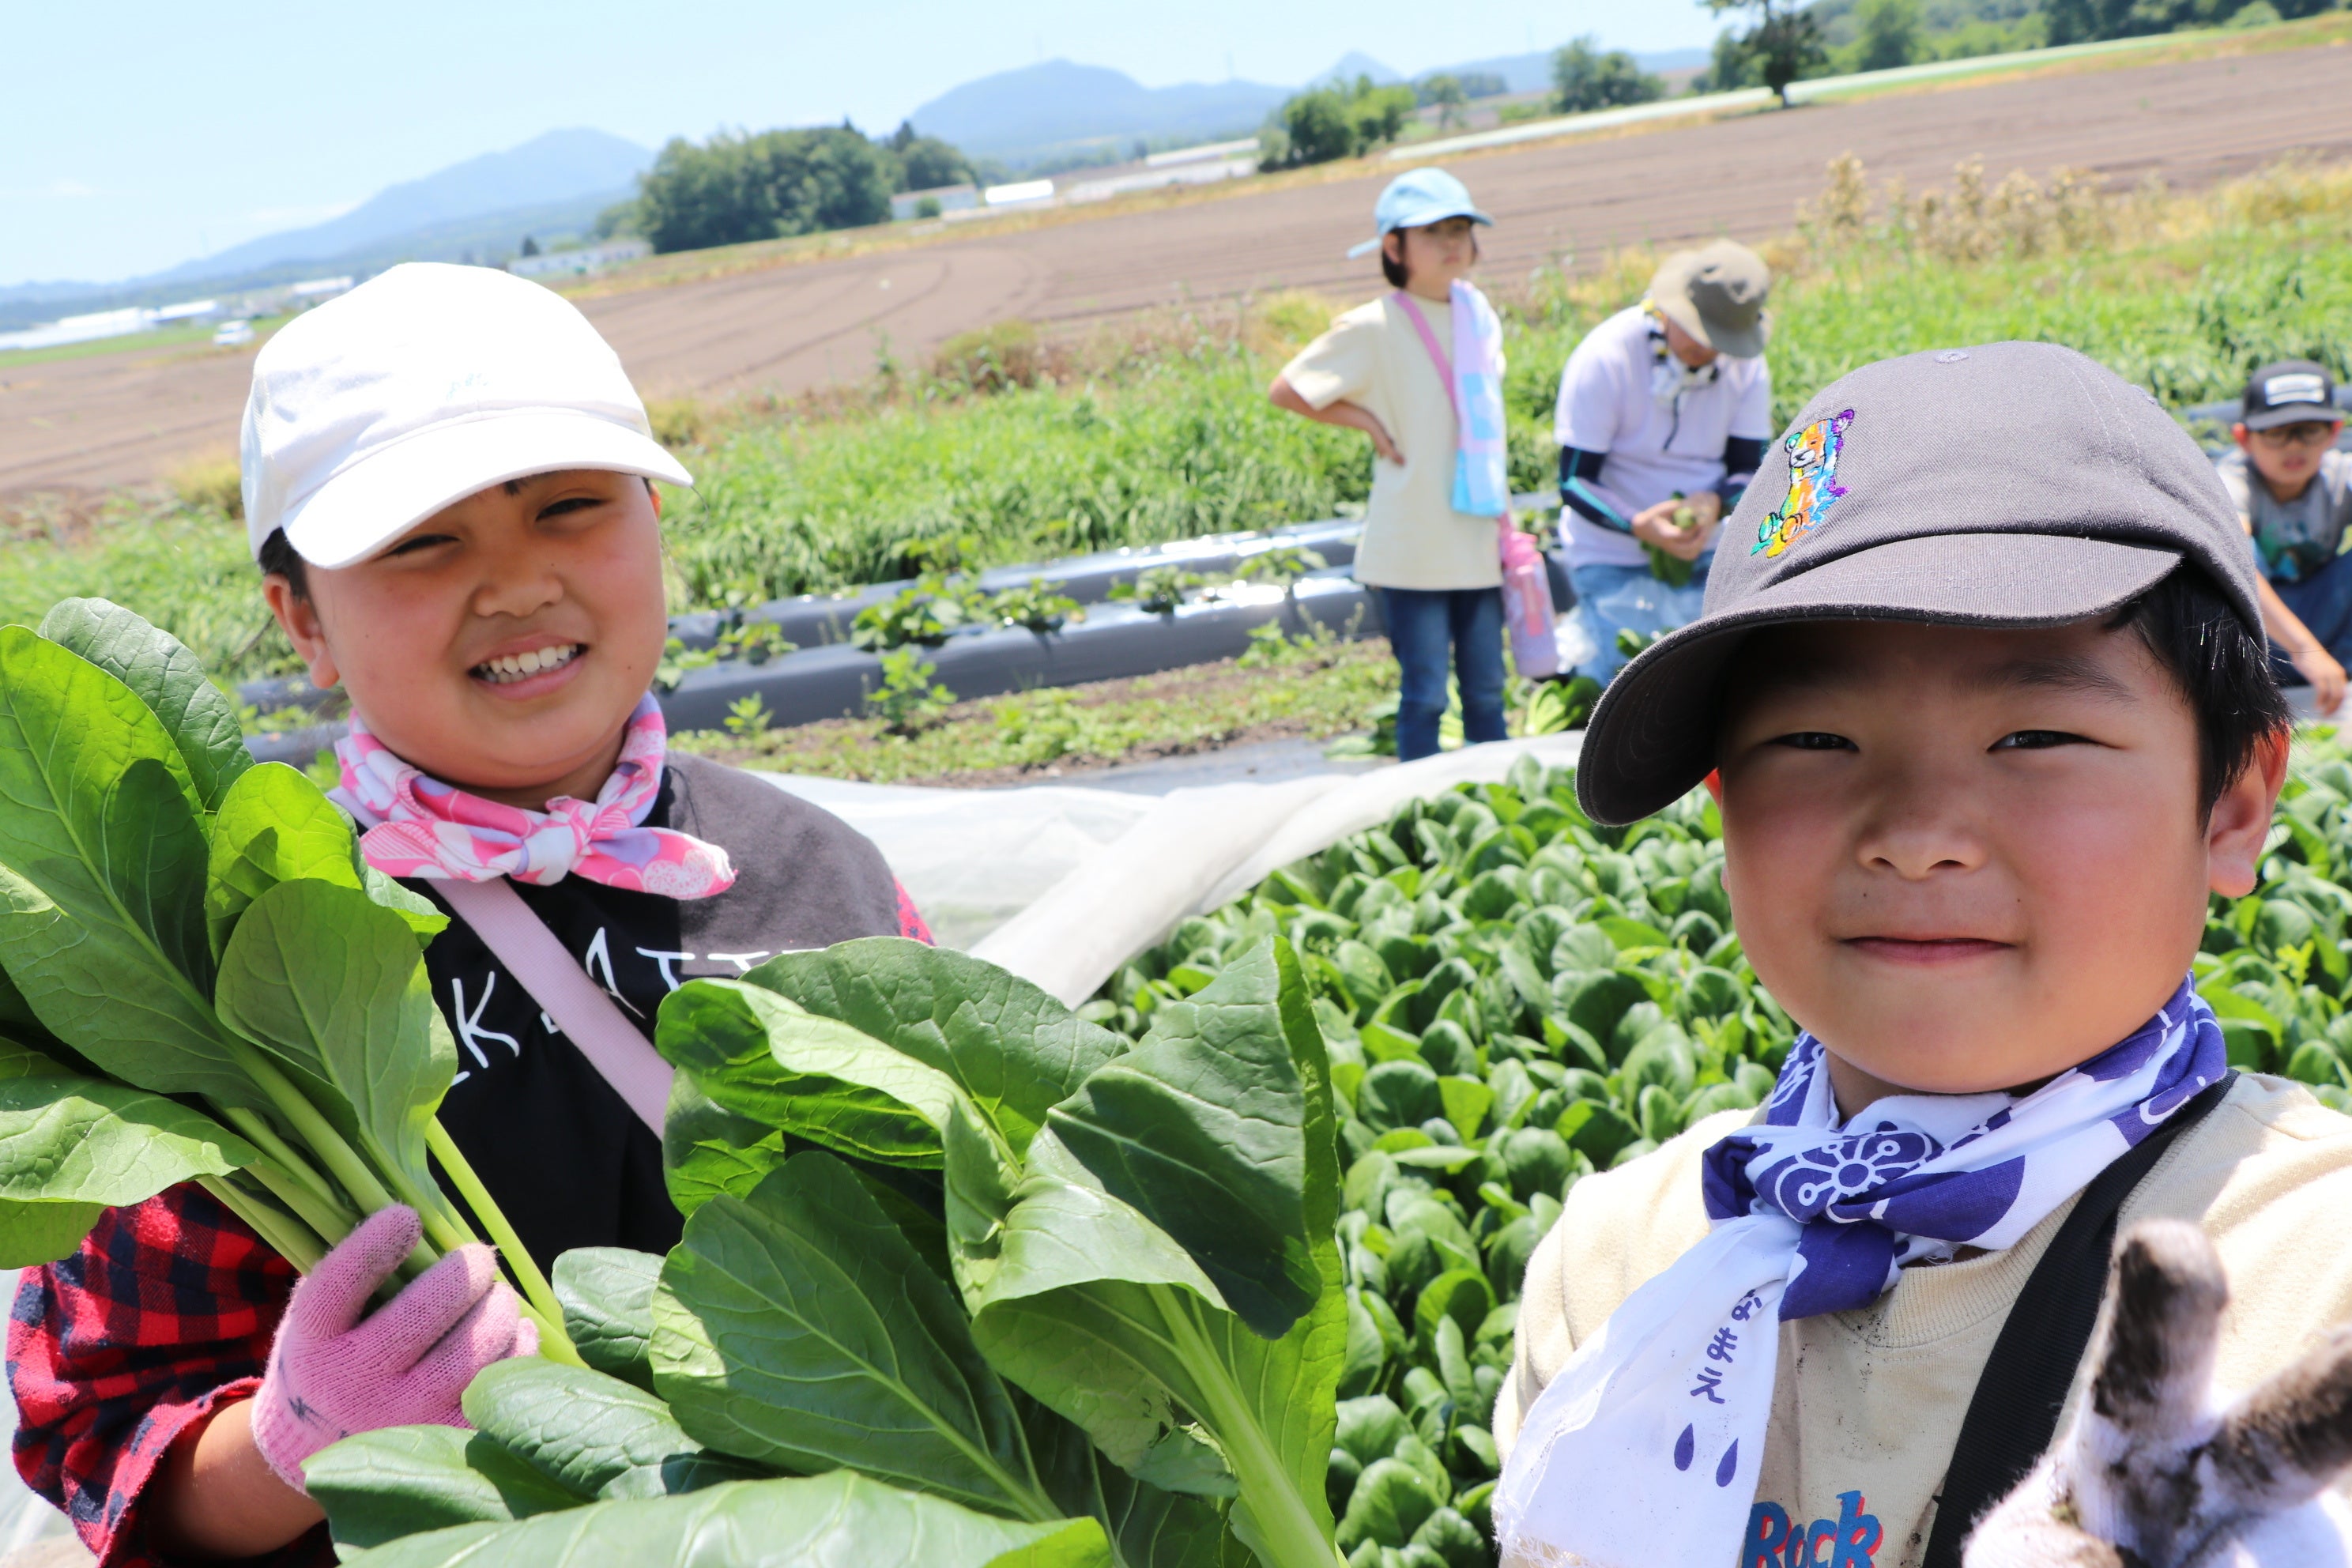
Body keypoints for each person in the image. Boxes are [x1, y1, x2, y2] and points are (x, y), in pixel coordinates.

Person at [6, 263, 932, 1568]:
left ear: (655, 518)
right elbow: (114, 1440)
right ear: (301, 618)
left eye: (570, 506)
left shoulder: (822, 875)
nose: (514, 581)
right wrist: (302, 1437)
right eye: (424, 542)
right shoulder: (221, 954)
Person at [1491, 342, 2352, 1568]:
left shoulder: (2314, 1264)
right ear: (1722, 793)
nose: (1916, 837)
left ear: (2234, 805)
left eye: (2035, 732)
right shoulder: (1623, 1255)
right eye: (1817, 735)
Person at [1269, 168, 1511, 762]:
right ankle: (1418, 813)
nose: (1452, 242)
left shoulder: (1477, 314)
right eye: (1431, 231)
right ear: (1393, 247)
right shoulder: (1374, 325)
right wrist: (1370, 423)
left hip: (1476, 537)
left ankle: (1495, 804)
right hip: (1413, 548)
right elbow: (1288, 389)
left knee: (1488, 692)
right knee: (1425, 695)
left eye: (1459, 227)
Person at [1553, 239, 1774, 685]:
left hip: (1708, 549)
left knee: (1710, 690)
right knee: (1624, 689)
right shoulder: (1608, 357)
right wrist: (1638, 523)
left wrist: (1716, 502)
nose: (1710, 351)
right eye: (1700, 334)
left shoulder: (1747, 369)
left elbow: (1749, 470)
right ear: (1670, 311)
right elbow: (1575, 481)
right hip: (1610, 553)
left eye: (1722, 341)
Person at [2217, 357, 2351, 715]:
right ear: (2244, 439)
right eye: (2276, 433)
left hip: (2323, 624)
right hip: (2254, 638)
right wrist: (2305, 650)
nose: (2295, 446)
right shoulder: (2233, 482)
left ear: (2334, 432)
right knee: (2228, 556)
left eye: (2309, 430)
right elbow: (2233, 568)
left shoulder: (2340, 476)